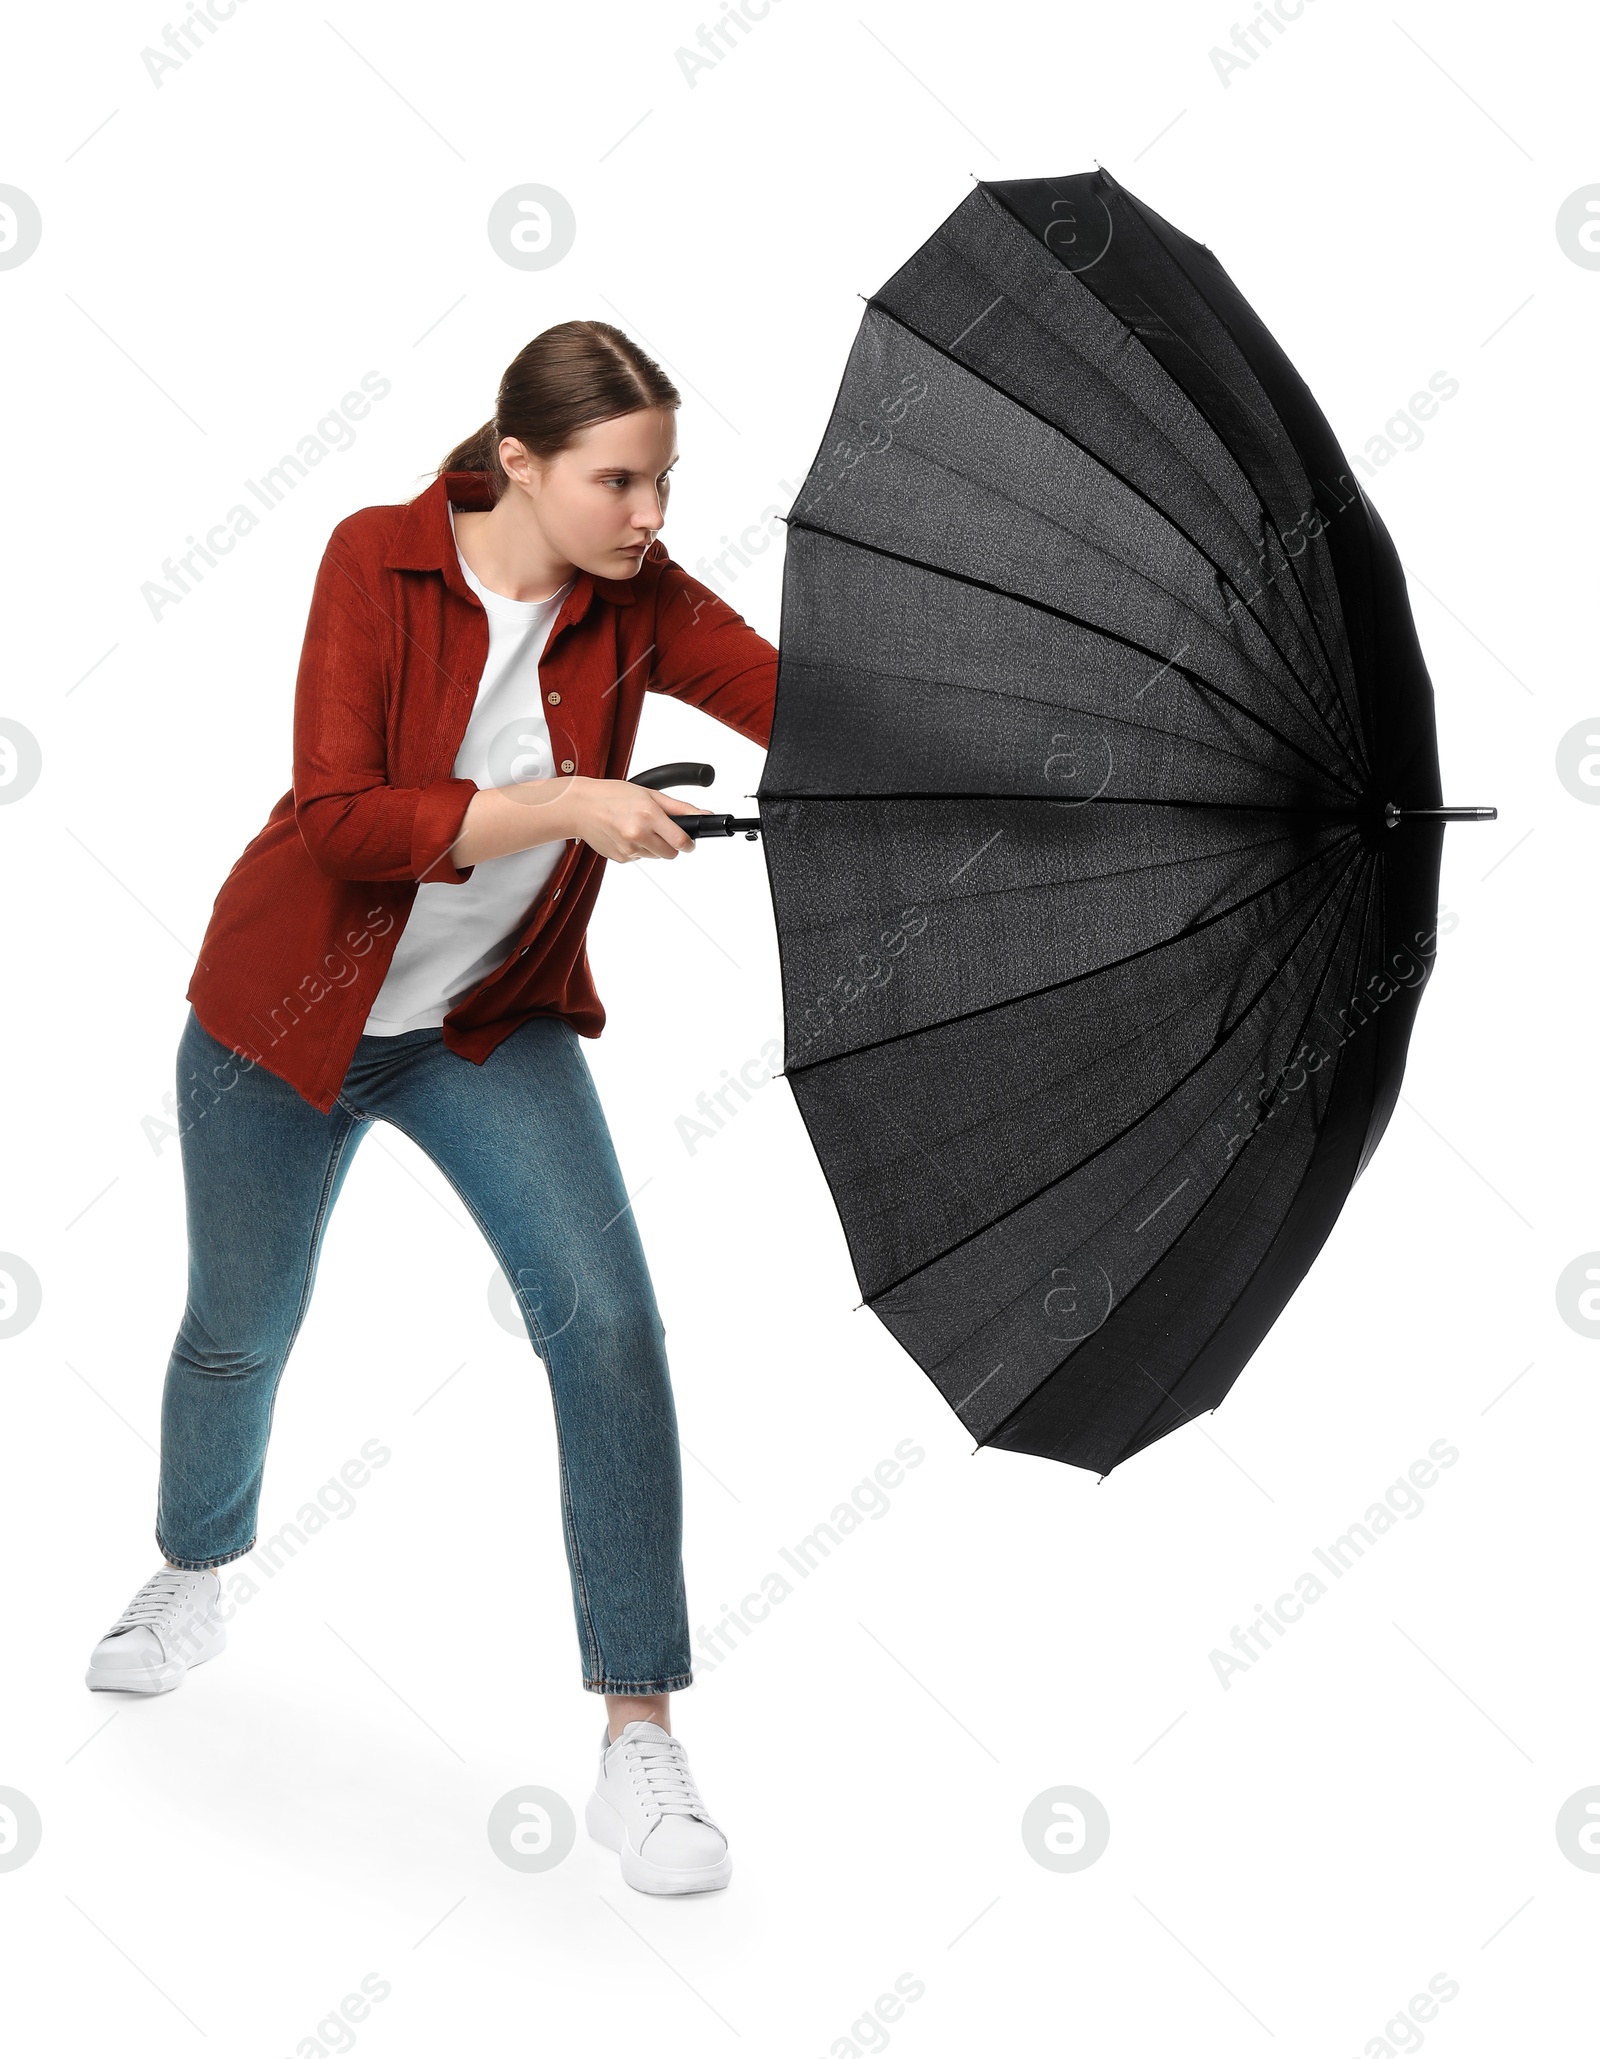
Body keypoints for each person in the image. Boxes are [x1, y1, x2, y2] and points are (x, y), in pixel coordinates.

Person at [82, 320, 780, 1898]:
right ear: (520, 464)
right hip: (282, 1020)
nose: (652, 513)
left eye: (665, 480)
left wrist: (1050, 760)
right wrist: (564, 808)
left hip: (481, 1030)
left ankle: (636, 1738)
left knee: (605, 1323)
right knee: (239, 1328)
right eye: (621, 480)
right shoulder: (377, 562)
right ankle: (191, 1573)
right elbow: (340, 821)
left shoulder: (642, 600)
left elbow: (804, 706)